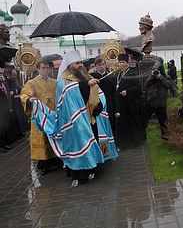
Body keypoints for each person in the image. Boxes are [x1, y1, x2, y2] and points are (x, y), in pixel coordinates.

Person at [31, 50, 118, 187]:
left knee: (93, 140)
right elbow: (68, 96)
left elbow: (95, 92)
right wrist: (86, 85)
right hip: (74, 122)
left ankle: (93, 168)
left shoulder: (83, 74)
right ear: (70, 64)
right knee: (80, 144)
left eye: (81, 62)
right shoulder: (63, 79)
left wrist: (97, 104)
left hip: (90, 117)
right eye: (77, 63)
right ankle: (80, 174)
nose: (80, 65)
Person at [20, 60, 62, 174]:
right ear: (38, 69)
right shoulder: (31, 83)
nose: (46, 70)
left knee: (54, 135)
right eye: (43, 68)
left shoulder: (55, 82)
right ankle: (44, 165)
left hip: (53, 115)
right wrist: (29, 99)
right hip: (40, 117)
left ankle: (56, 160)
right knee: (42, 137)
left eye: (47, 68)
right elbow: (24, 95)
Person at [114, 53, 145, 149]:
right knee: (124, 123)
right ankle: (125, 142)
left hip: (131, 102)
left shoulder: (132, 72)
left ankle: (136, 142)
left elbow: (138, 88)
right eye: (120, 62)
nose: (121, 64)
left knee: (132, 123)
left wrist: (127, 92)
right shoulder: (118, 73)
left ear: (127, 62)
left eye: (123, 62)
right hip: (122, 102)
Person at [143, 64, 172, 140]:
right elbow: (146, 85)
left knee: (163, 122)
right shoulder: (151, 78)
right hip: (151, 102)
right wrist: (152, 77)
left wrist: (160, 78)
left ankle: (165, 136)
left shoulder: (166, 77)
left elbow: (169, 85)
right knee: (144, 120)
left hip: (161, 103)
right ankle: (142, 135)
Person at [90, 58, 118, 136]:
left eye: (103, 64)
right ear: (95, 66)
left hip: (109, 105)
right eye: (99, 65)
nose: (101, 67)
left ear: (106, 65)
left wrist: (116, 109)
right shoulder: (92, 77)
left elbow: (114, 93)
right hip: (97, 105)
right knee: (98, 126)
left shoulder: (112, 77)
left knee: (111, 125)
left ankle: (112, 144)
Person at [6, 68, 27, 139]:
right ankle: (18, 133)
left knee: (20, 116)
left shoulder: (16, 80)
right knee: (16, 118)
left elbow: (19, 88)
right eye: (13, 75)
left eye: (15, 75)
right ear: (10, 74)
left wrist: (15, 90)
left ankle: (22, 131)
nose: (14, 77)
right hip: (13, 102)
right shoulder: (7, 81)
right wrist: (15, 91)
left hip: (18, 101)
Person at [0, 66, 12, 152]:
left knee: (4, 126)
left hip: (5, 106)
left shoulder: (4, 80)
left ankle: (4, 144)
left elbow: (7, 91)